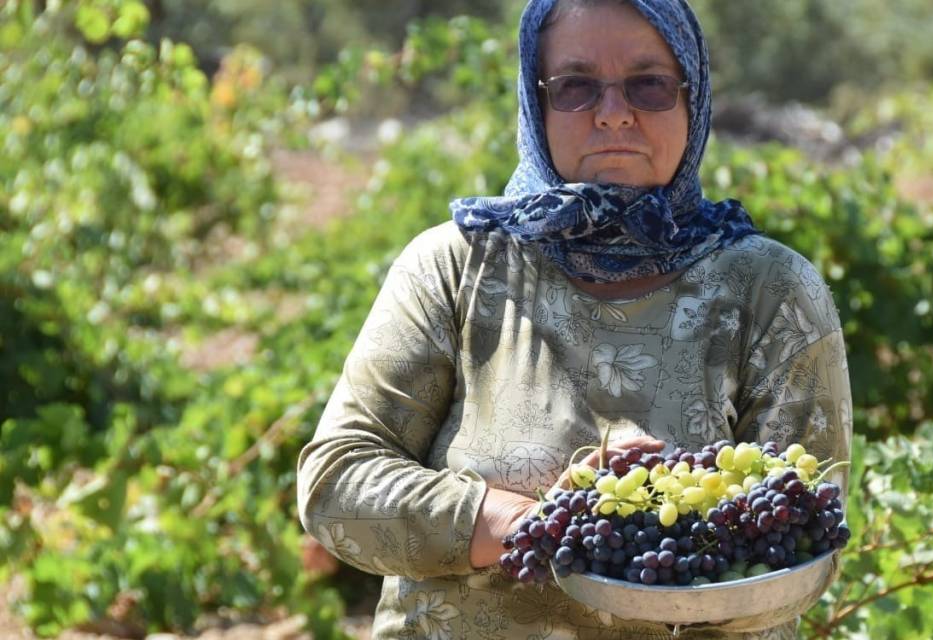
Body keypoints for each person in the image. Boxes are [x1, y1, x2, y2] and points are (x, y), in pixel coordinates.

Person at [296, 0, 853, 637]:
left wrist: (668, 525)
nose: (614, 112)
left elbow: (807, 547)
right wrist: (523, 522)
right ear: (536, 104)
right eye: (576, 87)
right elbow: (337, 483)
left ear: (690, 99)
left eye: (648, 84)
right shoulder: (456, 267)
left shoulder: (770, 293)